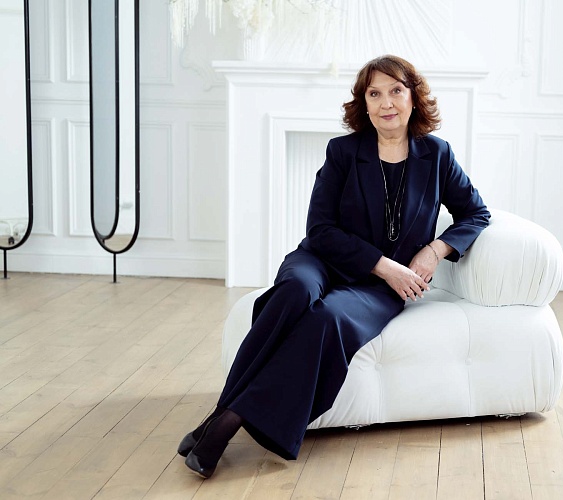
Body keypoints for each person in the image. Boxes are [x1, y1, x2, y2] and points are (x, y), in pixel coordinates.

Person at [177, 54, 491, 479]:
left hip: (379, 289)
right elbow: (320, 229)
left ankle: (224, 422)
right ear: (364, 103)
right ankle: (223, 415)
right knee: (293, 292)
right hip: (322, 261)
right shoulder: (343, 151)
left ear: (413, 98)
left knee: (327, 319)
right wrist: (385, 265)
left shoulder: (437, 154)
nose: (386, 103)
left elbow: (476, 213)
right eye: (374, 94)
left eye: (396, 91)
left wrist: (435, 251)